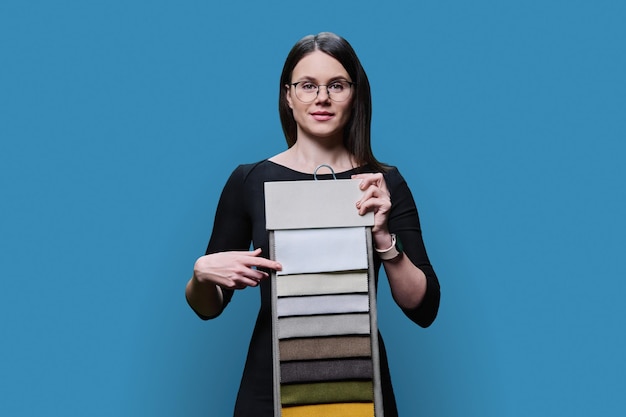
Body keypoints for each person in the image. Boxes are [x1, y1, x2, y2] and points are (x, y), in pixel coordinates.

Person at [185, 32, 441, 417]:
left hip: (360, 384)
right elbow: (208, 308)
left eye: (336, 85)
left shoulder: (384, 183)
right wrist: (201, 276)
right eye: (307, 86)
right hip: (269, 386)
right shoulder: (249, 180)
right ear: (288, 96)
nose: (321, 98)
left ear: (355, 94)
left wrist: (384, 238)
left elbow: (423, 308)